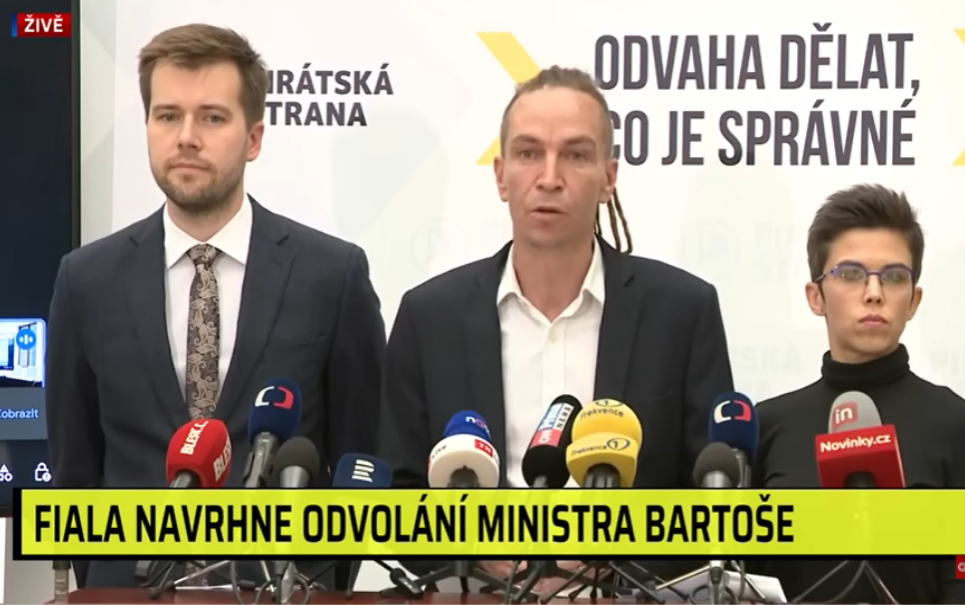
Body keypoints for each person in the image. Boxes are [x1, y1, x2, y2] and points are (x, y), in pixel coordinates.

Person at [45, 24, 385, 588]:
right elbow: (74, 472)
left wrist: (323, 585)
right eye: (167, 116)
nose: (186, 138)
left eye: (211, 118)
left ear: (253, 138)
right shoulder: (85, 280)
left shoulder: (332, 275)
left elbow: (359, 462)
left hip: (284, 591)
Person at [379, 66, 734, 592]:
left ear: (608, 177)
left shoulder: (682, 311)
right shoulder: (430, 316)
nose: (549, 177)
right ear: (501, 175)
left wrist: (614, 557)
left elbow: (713, 498)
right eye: (529, 153)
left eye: (575, 154)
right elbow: (394, 497)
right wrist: (475, 549)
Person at [751, 184, 965, 604]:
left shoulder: (954, 423)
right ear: (815, 296)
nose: (874, 292)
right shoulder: (766, 428)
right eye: (850, 274)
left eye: (894, 276)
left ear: (914, 300)